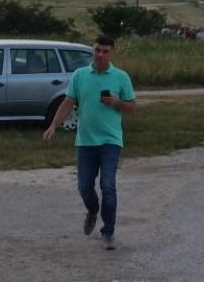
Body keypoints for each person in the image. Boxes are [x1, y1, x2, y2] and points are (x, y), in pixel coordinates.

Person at [42, 36, 136, 251]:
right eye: (97, 50)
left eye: (105, 51)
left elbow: (132, 107)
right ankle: (93, 210)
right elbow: (68, 102)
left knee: (108, 186)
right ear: (92, 51)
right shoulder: (80, 75)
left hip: (111, 141)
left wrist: (117, 102)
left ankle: (108, 231)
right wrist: (54, 126)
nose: (100, 54)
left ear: (111, 53)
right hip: (85, 142)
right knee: (84, 186)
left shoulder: (121, 77)